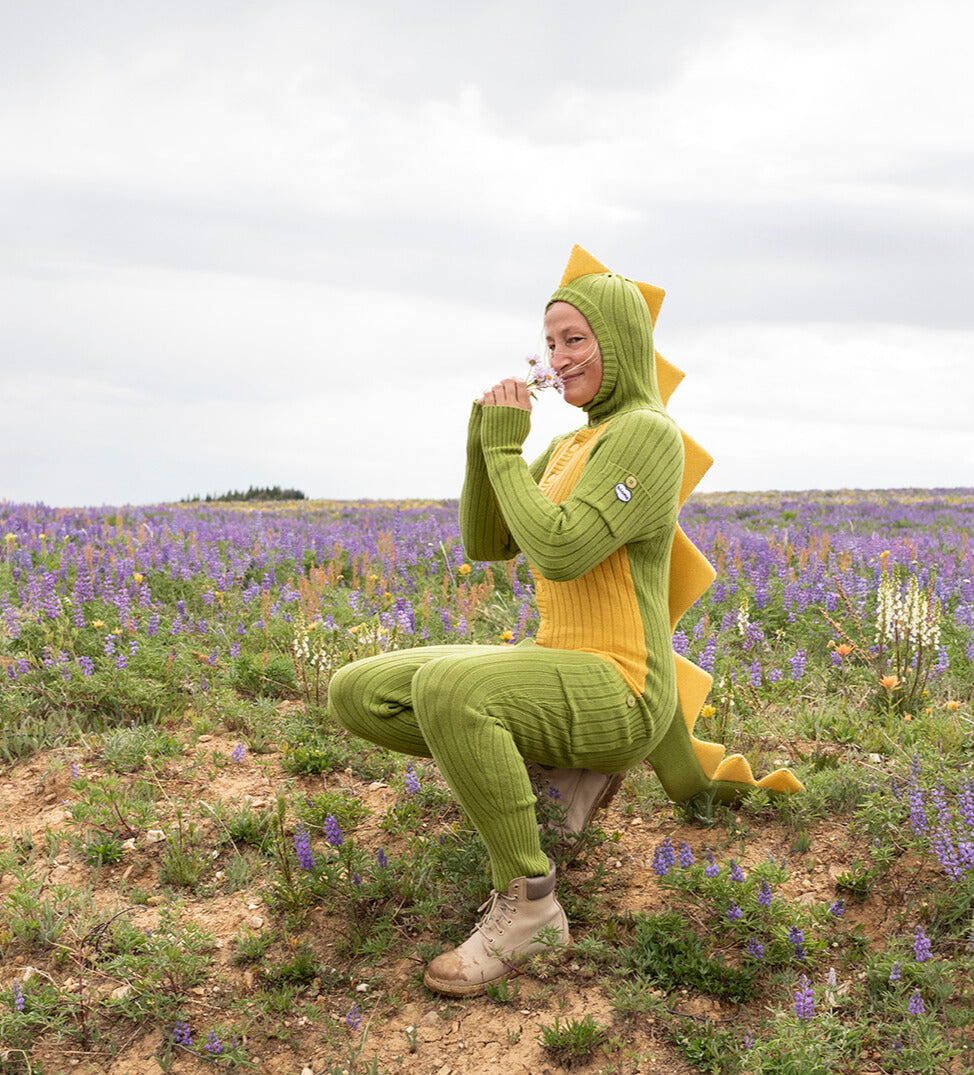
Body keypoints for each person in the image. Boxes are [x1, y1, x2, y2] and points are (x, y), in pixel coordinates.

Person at [329, 246, 800, 998]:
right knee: (359, 689)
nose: (558, 355)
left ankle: (527, 908)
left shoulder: (647, 434)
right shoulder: (568, 443)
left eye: (574, 337)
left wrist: (506, 452)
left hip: (620, 685)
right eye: (549, 341)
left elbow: (560, 548)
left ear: (618, 343)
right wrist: (483, 439)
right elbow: (488, 543)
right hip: (563, 666)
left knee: (453, 687)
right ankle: (559, 771)